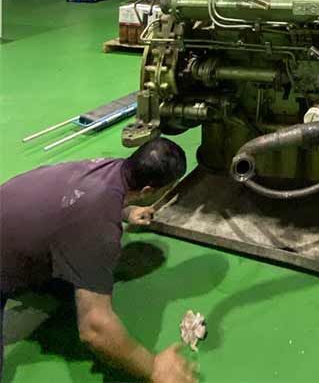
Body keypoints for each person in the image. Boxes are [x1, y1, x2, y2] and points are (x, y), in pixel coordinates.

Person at [0, 137, 196, 381]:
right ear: (148, 191)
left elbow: (81, 197)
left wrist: (125, 210)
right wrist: (155, 367)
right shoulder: (99, 231)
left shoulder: (109, 167)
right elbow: (94, 330)